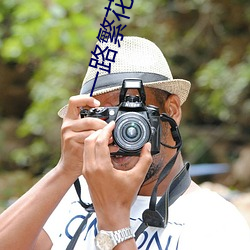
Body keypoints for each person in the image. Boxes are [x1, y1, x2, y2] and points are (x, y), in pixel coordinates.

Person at [0, 36, 249, 250]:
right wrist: (65, 169)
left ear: (172, 111)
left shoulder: (216, 225)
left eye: (132, 113)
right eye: (105, 116)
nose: (119, 131)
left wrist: (114, 221)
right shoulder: (77, 196)